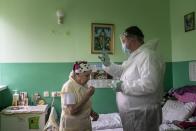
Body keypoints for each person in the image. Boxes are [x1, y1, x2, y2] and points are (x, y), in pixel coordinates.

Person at [98, 26, 165, 131]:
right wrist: (107, 64)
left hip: (143, 114)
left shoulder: (148, 56)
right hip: (133, 113)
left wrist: (123, 86)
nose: (123, 43)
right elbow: (122, 71)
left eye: (124, 40)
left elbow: (150, 84)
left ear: (132, 39)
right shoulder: (135, 56)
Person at [59, 61, 99, 131]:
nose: (89, 78)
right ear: (78, 74)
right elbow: (72, 111)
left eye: (89, 75)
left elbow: (84, 104)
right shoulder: (68, 87)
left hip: (84, 125)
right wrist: (87, 96)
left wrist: (91, 113)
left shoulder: (84, 85)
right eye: (87, 75)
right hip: (71, 127)